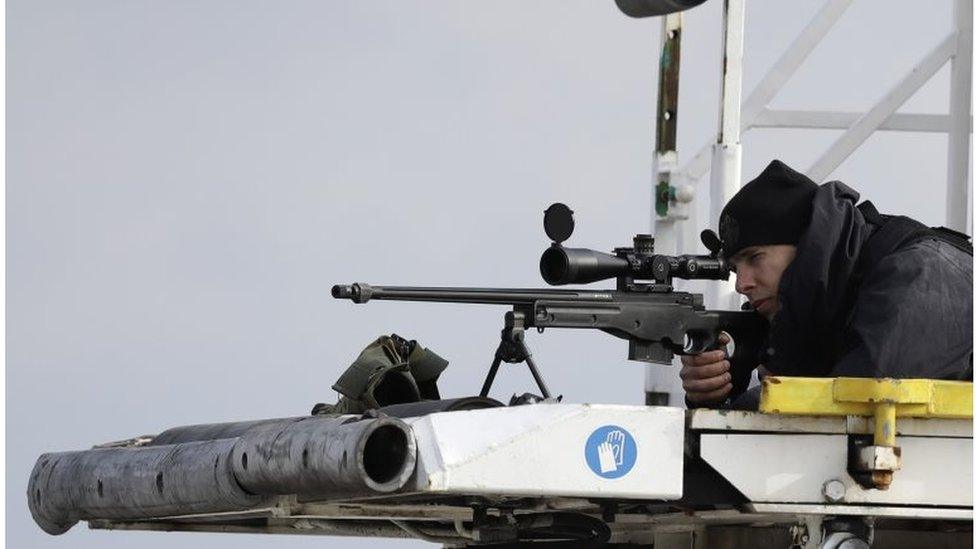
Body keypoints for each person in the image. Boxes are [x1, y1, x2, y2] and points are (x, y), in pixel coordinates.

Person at [682, 160, 973, 408]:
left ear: (808, 243)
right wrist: (715, 391)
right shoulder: (823, 304)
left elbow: (859, 401)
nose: (741, 285)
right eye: (735, 269)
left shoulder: (919, 274)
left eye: (755, 258)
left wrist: (736, 410)